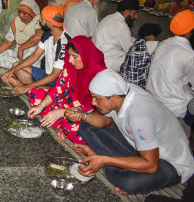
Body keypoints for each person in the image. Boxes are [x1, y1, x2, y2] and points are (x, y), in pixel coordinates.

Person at [66, 70, 194, 195]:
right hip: (139, 147)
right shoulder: (124, 92)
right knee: (86, 126)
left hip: (169, 163)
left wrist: (105, 160)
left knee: (128, 182)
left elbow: (151, 165)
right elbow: (104, 120)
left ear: (114, 97)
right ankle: (103, 160)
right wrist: (82, 116)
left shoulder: (139, 117)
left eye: (96, 98)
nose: (93, 102)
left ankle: (102, 161)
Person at [28, 36, 105, 144]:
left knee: (73, 128)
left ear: (85, 55)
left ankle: (59, 123)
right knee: (34, 94)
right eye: (69, 56)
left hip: (83, 113)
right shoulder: (70, 67)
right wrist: (40, 106)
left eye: (75, 56)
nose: (70, 60)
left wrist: (60, 113)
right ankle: (59, 126)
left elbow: (93, 109)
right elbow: (58, 90)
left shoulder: (100, 75)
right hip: (65, 102)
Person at [2, 5, 71, 95]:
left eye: (42, 18)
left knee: (55, 91)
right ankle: (30, 88)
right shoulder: (47, 34)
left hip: (58, 82)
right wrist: (11, 71)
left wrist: (28, 86)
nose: (39, 20)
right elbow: (34, 56)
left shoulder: (64, 43)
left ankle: (28, 88)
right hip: (46, 74)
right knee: (16, 66)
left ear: (50, 23)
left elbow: (54, 76)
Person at [147, 10, 194, 128]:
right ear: (189, 32)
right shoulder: (189, 54)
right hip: (175, 105)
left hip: (154, 98)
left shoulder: (164, 43)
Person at [0, 0, 42, 70]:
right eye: (19, 12)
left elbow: (38, 36)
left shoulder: (39, 21)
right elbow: (8, 42)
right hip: (16, 54)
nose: (20, 15)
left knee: (27, 66)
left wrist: (21, 48)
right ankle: (19, 68)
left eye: (24, 13)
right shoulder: (17, 21)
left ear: (32, 13)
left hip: (31, 58)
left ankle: (20, 68)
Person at [92, 0, 138, 71]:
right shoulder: (121, 26)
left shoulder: (110, 17)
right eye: (134, 13)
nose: (136, 16)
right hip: (107, 62)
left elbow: (127, 37)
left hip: (97, 56)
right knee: (136, 59)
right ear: (126, 12)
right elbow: (130, 49)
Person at [120, 23, 162, 88]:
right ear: (151, 37)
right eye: (156, 37)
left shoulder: (134, 46)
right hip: (139, 85)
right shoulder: (150, 45)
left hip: (126, 83)